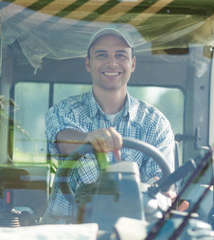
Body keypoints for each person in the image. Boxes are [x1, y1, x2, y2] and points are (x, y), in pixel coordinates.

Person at [44, 27, 177, 223]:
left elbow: (161, 184)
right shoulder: (64, 110)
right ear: (88, 63)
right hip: (68, 229)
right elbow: (67, 142)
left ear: (132, 63)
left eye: (121, 55)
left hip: (133, 231)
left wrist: (161, 192)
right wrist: (89, 139)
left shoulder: (155, 122)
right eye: (102, 55)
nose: (112, 63)